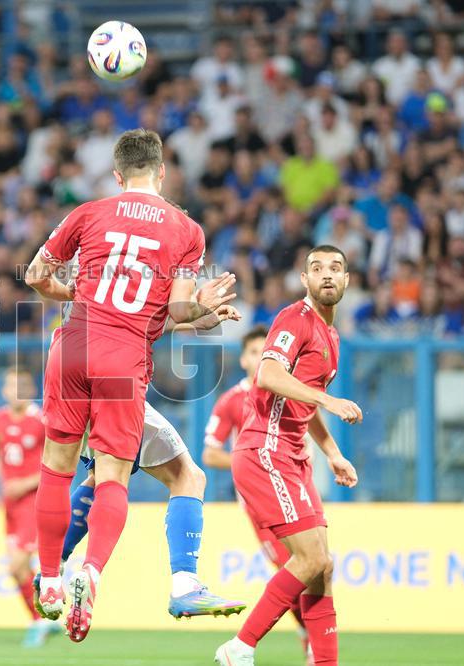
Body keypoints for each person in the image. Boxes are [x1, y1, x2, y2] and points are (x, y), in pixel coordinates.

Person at [24, 128, 239, 642]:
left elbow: (34, 276)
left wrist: (75, 292)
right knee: (114, 477)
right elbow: (176, 310)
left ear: (117, 175)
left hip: (71, 347)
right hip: (122, 359)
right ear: (162, 172)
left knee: (56, 468)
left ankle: (50, 580)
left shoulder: (88, 213)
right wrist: (202, 309)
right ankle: (92, 573)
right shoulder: (185, 229)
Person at [216, 246, 362, 666]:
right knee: (311, 557)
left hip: (295, 457)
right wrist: (328, 400)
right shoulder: (295, 318)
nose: (327, 275)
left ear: (347, 280)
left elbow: (303, 403)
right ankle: (240, 647)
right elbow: (268, 374)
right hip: (266, 448)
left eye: (335, 268)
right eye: (317, 268)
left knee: (323, 567)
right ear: (305, 280)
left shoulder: (331, 336)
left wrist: (332, 453)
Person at [38, 396, 246, 621]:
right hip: (118, 391)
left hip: (68, 394)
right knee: (188, 477)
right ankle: (184, 586)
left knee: (96, 476)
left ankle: (51, 573)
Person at [202, 326, 314, 665]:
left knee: (313, 564)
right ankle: (307, 638)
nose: (260, 357)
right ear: (243, 359)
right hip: (260, 497)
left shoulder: (289, 392)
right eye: (253, 352)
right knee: (296, 565)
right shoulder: (232, 400)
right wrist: (252, 460)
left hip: (293, 488)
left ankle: (310, 638)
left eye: (265, 351)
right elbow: (210, 454)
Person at [0, 369, 62, 648]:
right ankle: (42, 619)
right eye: (10, 386)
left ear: (30, 390)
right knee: (18, 571)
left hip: (35, 502)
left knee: (16, 564)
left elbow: (58, 463)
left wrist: (25, 483)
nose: (15, 391)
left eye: (21, 386)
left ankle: (41, 619)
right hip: (11, 505)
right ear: (4, 390)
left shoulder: (42, 420)